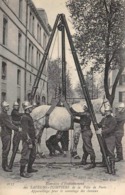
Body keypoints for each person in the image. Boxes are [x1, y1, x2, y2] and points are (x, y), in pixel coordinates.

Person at [71, 104, 96, 169]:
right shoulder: (86, 114)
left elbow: (75, 113)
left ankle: (93, 162)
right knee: (85, 147)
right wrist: (74, 120)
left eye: (85, 107)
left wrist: (69, 107)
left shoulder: (85, 113)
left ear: (87, 108)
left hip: (86, 132)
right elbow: (81, 121)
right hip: (86, 131)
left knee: (88, 148)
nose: (83, 108)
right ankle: (83, 160)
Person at [0, 101, 21, 172]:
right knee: (6, 150)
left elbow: (11, 122)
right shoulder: (3, 114)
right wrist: (17, 128)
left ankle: (5, 164)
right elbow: (9, 124)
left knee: (6, 149)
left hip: (7, 133)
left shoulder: (5, 114)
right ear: (3, 107)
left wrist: (18, 124)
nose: (8, 107)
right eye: (7, 106)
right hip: (5, 134)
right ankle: (4, 166)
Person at [20, 101, 37, 178]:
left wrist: (35, 138)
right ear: (27, 108)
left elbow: (31, 128)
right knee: (25, 156)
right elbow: (25, 131)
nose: (31, 108)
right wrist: (29, 141)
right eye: (30, 108)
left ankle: (29, 169)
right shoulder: (24, 118)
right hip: (28, 140)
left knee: (33, 155)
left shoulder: (29, 116)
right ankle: (22, 172)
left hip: (32, 139)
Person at [98, 106, 117, 175]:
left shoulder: (113, 119)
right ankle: (105, 163)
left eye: (108, 111)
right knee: (103, 150)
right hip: (104, 137)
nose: (106, 112)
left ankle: (112, 169)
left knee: (110, 152)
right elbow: (99, 125)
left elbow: (110, 129)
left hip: (110, 137)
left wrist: (101, 132)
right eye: (105, 111)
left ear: (110, 111)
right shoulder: (104, 119)